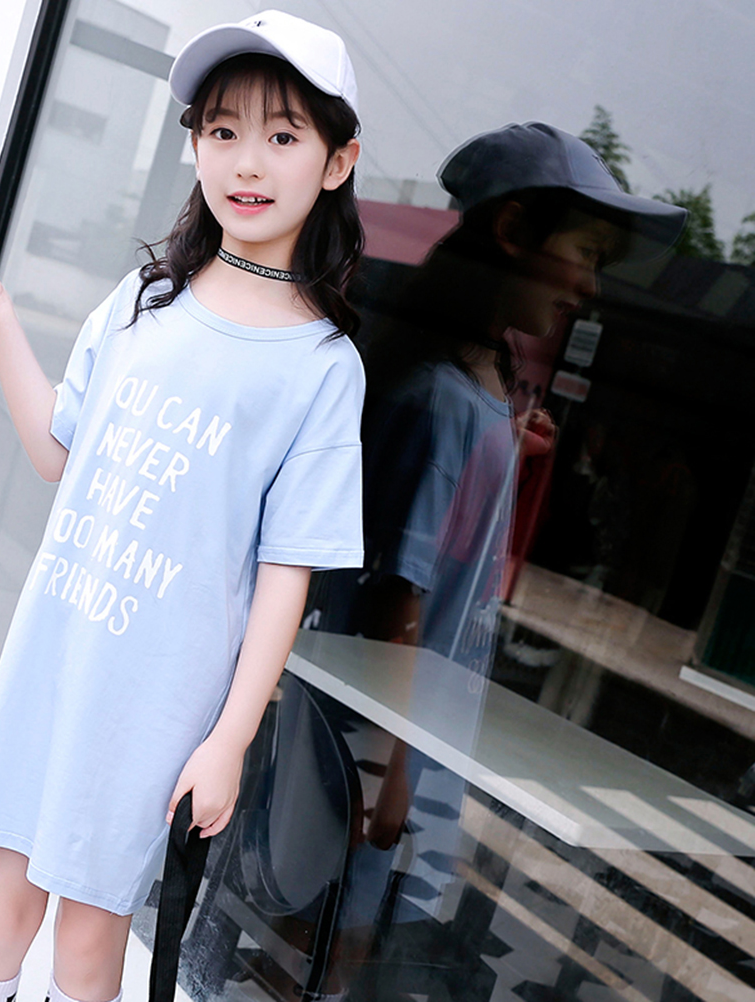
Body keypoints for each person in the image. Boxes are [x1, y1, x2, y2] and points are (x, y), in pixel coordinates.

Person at [0, 11, 365, 1002]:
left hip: (154, 705)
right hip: (51, 660)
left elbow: (286, 572)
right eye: (222, 130)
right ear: (195, 145)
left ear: (338, 162)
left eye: (283, 135)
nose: (248, 161)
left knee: (89, 938)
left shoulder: (322, 367)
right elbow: (56, 454)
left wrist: (229, 739)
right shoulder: (141, 300)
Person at [301, 122, 687, 999]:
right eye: (585, 253)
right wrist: (390, 771)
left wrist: (502, 446)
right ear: (513, 232)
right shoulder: (440, 399)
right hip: (382, 753)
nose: (589, 286)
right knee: (332, 954)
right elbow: (397, 599)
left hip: (413, 745)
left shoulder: (472, 389)